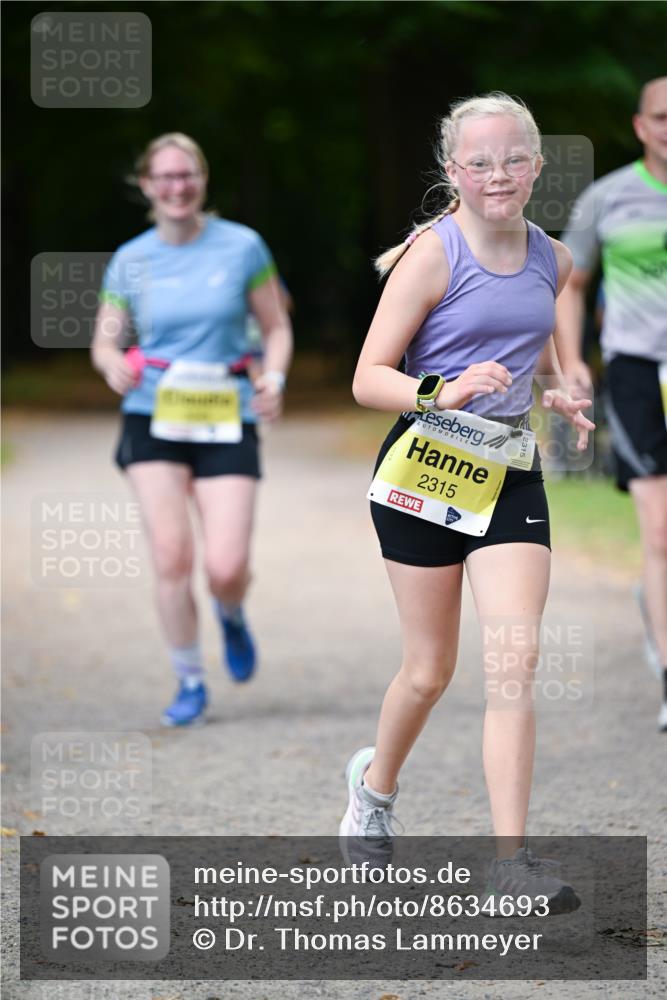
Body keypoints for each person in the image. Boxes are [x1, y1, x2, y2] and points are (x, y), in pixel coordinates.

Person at [339, 93, 594, 911]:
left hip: (508, 470)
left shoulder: (550, 257)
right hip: (424, 469)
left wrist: (560, 394)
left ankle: (508, 863)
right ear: (453, 170)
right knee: (428, 669)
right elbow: (366, 377)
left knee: (514, 660)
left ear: (536, 166)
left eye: (513, 158)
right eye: (479, 162)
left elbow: (546, 358)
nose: (497, 175)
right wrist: (440, 390)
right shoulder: (431, 255)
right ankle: (373, 794)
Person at [91, 133, 292, 726]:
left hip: (226, 413)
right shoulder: (131, 258)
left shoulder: (243, 247)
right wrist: (111, 365)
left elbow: (276, 327)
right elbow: (106, 339)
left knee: (225, 566)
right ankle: (189, 680)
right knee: (172, 556)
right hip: (153, 415)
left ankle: (230, 613)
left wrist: (274, 380)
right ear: (147, 185)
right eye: (166, 177)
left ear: (202, 180)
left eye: (188, 175)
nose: (178, 187)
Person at [555, 77, 667, 732]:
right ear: (639, 125)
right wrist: (573, 362)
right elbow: (569, 285)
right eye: (660, 116)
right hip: (635, 373)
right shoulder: (607, 198)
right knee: (658, 530)